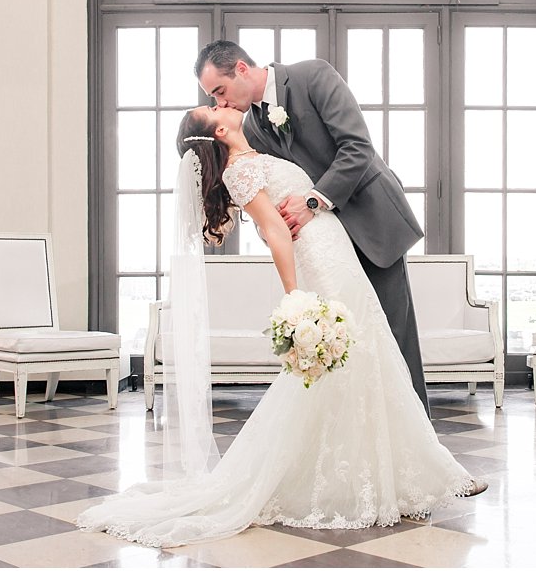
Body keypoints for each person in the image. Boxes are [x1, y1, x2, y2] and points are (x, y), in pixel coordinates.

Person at [76, 107, 484, 548]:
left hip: (337, 251)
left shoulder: (255, 153)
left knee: (372, 360)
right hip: (322, 264)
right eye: (213, 106)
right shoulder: (240, 172)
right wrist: (295, 296)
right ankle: (426, 474)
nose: (221, 104)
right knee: (356, 360)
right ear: (218, 129)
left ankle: (411, 476)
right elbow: (275, 231)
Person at [193, 40, 432, 414]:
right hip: (324, 247)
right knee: (352, 344)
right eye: (213, 98)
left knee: (393, 335)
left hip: (370, 219)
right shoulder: (251, 127)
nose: (221, 103)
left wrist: (312, 202)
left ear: (241, 68)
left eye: (220, 92)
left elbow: (357, 147)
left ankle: (422, 445)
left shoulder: (312, 76)